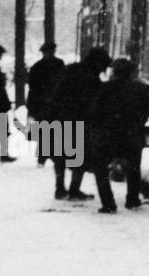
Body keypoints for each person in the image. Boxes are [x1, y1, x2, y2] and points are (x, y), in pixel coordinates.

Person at [44, 46, 112, 200]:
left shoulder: (69, 69)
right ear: (97, 62)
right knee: (80, 155)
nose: (103, 69)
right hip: (78, 120)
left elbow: (53, 91)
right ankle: (74, 190)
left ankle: (60, 188)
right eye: (103, 65)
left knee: (59, 155)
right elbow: (91, 102)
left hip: (58, 117)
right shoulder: (90, 78)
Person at [89, 58, 149, 213]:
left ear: (114, 72)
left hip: (109, 135)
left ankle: (108, 203)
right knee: (134, 167)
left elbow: (95, 112)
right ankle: (132, 199)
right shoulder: (140, 89)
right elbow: (145, 112)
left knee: (100, 168)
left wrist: (98, 129)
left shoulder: (105, 88)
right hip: (132, 134)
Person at [26, 41, 65, 165]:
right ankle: (45, 156)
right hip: (46, 103)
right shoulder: (55, 65)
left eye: (51, 51)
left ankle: (48, 156)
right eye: (48, 52)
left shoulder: (39, 66)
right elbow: (33, 86)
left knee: (49, 129)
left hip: (48, 102)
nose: (50, 54)